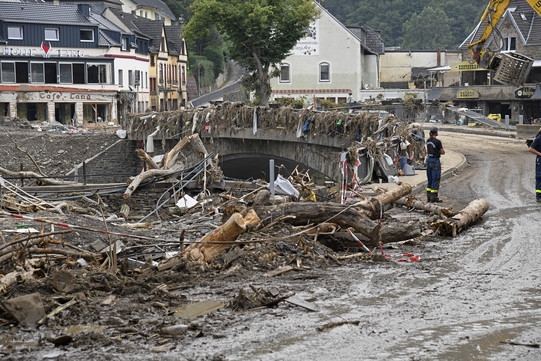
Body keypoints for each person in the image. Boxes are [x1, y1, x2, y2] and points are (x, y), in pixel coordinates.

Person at [425, 126, 445, 203]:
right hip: (435, 161)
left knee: (430, 179)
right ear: (436, 132)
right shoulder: (438, 141)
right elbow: (442, 152)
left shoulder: (428, 141)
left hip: (429, 160)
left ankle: (428, 197)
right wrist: (438, 152)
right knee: (435, 179)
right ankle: (434, 197)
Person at [527, 127, 541, 202]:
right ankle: (539, 197)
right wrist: (540, 154)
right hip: (540, 161)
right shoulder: (538, 139)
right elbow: (530, 149)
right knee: (540, 178)